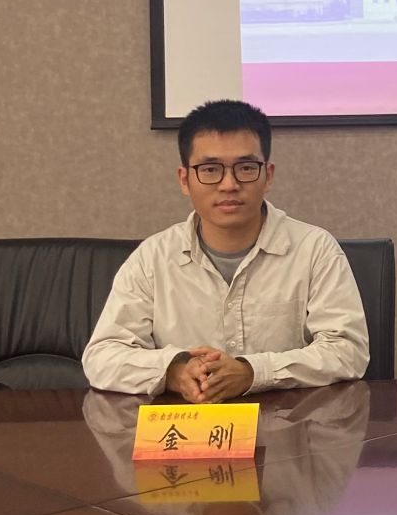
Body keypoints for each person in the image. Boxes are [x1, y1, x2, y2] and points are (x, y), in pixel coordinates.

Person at [83, 98, 369, 400]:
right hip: (188, 423)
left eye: (246, 168)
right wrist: (174, 372)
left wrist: (253, 372)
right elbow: (102, 356)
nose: (229, 184)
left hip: (285, 422)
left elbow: (348, 351)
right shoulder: (152, 258)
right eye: (210, 169)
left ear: (268, 176)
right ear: (185, 180)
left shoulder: (315, 250)